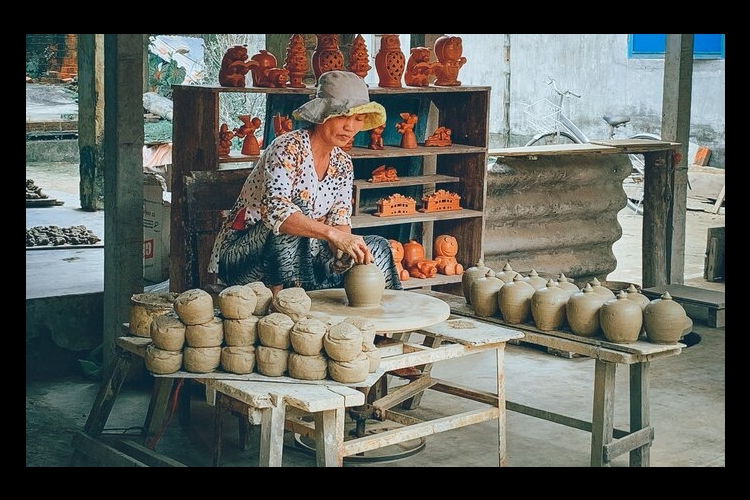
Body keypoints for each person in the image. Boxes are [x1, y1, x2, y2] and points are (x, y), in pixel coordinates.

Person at [208, 70, 403, 295]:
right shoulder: (287, 147)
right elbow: (276, 212)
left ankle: (383, 327)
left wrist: (344, 251)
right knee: (290, 219)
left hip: (303, 259)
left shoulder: (343, 163)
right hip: (243, 259)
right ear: (322, 115)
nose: (350, 127)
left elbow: (339, 220)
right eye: (342, 116)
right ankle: (284, 308)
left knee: (376, 247)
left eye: (358, 118)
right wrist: (331, 235)